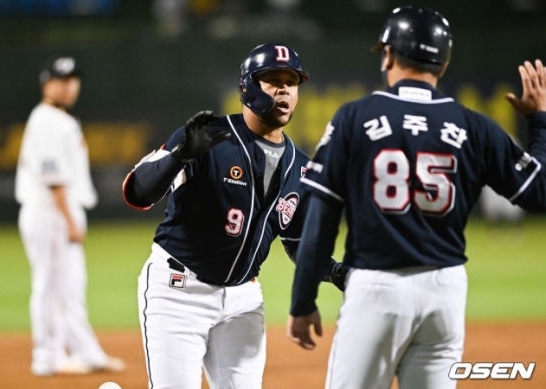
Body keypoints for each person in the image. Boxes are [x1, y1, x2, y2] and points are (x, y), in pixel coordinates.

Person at [287, 6, 546, 389]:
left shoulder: (355, 117)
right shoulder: (474, 126)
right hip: (446, 292)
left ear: (388, 55)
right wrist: (539, 120)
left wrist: (302, 301)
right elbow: (538, 192)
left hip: (376, 288)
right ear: (443, 64)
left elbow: (320, 218)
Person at [122, 43, 346, 389]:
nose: (285, 88)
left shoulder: (301, 166)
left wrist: (332, 270)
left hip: (243, 301)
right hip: (179, 291)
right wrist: (178, 157)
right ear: (248, 87)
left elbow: (298, 241)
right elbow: (137, 193)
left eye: (292, 81)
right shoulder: (206, 137)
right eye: (273, 79)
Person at [15, 56, 125, 376]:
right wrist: (70, 219)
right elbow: (54, 180)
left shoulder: (60, 118)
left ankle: (86, 352)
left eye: (73, 79)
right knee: (50, 287)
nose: (69, 85)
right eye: (62, 80)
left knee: (71, 287)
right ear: (46, 84)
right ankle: (47, 356)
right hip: (51, 211)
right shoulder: (48, 120)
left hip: (59, 210)